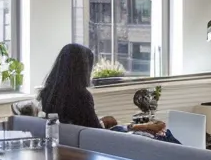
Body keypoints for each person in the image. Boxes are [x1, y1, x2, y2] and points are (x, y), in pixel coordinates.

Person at [37, 43, 171, 139]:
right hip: (90, 149)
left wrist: (102, 121)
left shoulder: (47, 94)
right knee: (164, 136)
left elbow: (81, 124)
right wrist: (140, 127)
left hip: (70, 144)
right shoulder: (81, 96)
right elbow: (98, 134)